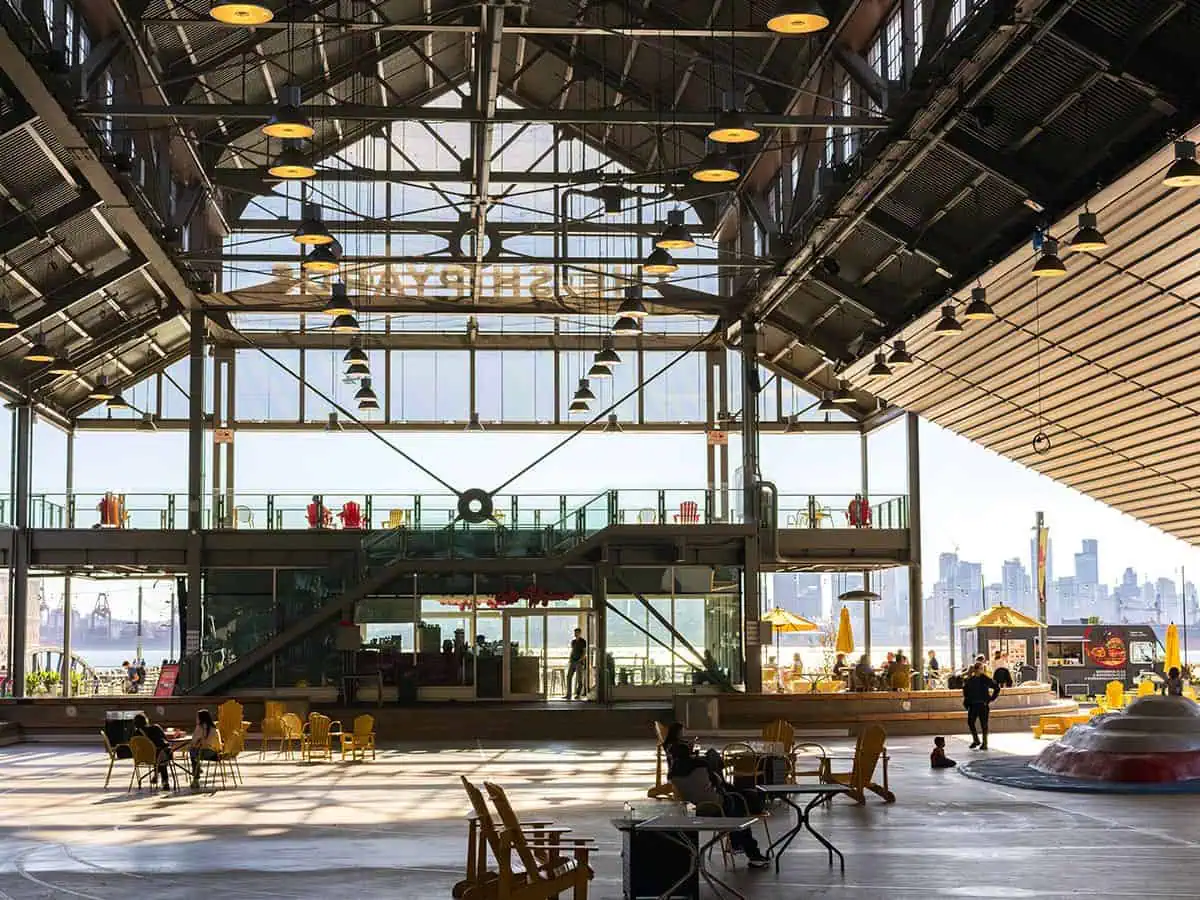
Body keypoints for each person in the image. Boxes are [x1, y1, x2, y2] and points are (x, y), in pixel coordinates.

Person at [661, 723, 770, 868]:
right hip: (717, 805)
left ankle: (743, 847)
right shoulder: (700, 766)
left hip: (698, 808)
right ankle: (750, 851)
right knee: (740, 803)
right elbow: (718, 782)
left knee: (739, 803)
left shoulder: (673, 775)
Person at [962, 662, 1000, 750]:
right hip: (973, 704)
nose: (981, 670)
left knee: (984, 724)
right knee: (971, 722)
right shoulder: (970, 680)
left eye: (981, 668)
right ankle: (976, 740)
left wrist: (990, 699)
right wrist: (967, 702)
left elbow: (996, 688)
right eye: (980, 668)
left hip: (982, 704)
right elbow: (965, 692)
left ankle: (984, 743)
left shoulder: (985, 679)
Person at [133, 713, 173, 791]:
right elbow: (166, 739)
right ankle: (165, 781)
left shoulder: (135, 735)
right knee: (161, 753)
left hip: (145, 757)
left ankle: (156, 774)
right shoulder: (156, 727)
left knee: (157, 754)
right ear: (146, 720)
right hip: (161, 755)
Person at [187, 709, 222, 790]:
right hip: (215, 753)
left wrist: (193, 745)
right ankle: (197, 771)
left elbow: (193, 741)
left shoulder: (200, 727)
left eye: (197, 717)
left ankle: (196, 776)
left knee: (192, 752)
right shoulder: (214, 728)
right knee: (195, 754)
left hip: (205, 753)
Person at [566, 627, 587, 699]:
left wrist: (580, 660)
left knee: (579, 679)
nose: (575, 634)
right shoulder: (573, 641)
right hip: (572, 661)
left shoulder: (583, 641)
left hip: (579, 662)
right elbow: (572, 651)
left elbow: (584, 652)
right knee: (568, 677)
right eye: (575, 633)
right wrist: (570, 659)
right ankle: (568, 694)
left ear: (580, 633)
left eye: (577, 632)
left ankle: (578, 694)